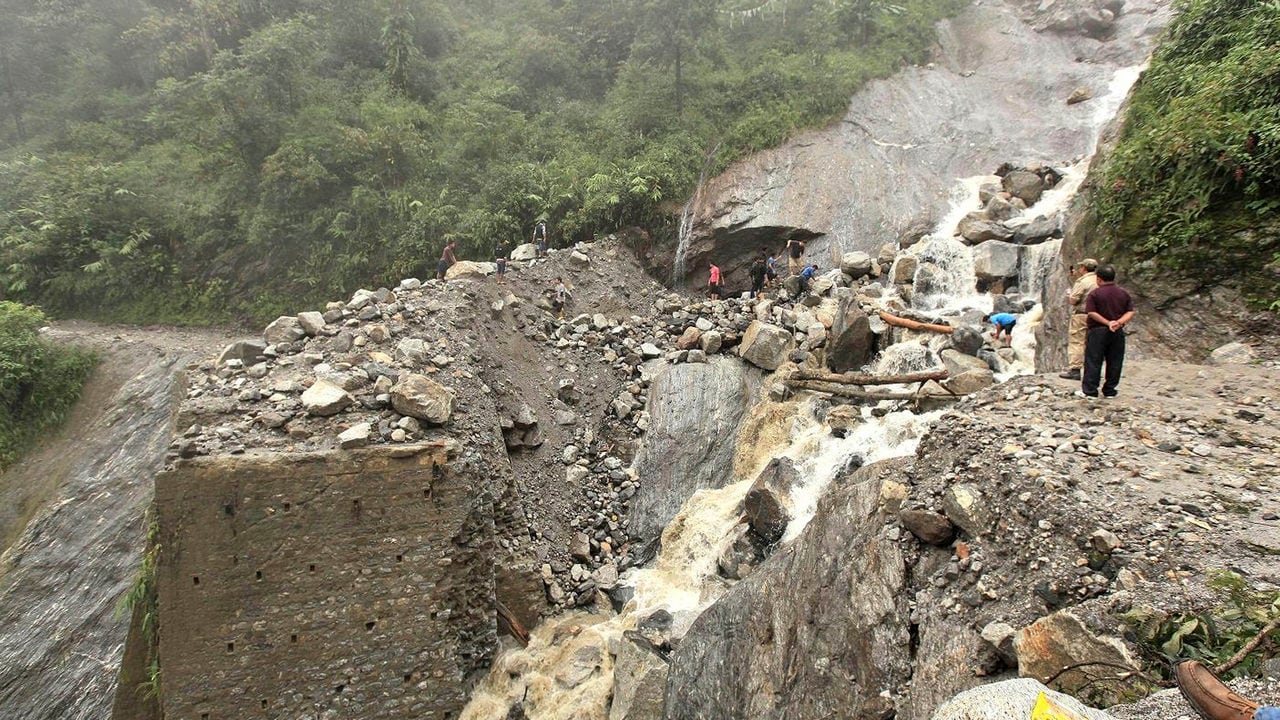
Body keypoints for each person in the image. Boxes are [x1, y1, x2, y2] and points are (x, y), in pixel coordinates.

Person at [1079, 264, 1134, 398]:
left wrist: (1107, 322)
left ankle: (1090, 391)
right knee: (1115, 360)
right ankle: (1110, 390)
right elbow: (1130, 311)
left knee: (1093, 360)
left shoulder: (1095, 294)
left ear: (1098, 279)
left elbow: (1091, 312)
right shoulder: (1123, 293)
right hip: (1117, 331)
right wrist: (1119, 322)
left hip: (1097, 330)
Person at [1059, 258, 1099, 380]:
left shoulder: (1082, 282)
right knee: (1092, 342)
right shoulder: (1099, 280)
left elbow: (1073, 300)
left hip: (1082, 314)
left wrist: (1070, 294)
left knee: (1077, 341)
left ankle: (1075, 370)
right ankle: (1092, 369)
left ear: (1084, 268)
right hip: (1097, 315)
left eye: (1081, 267)